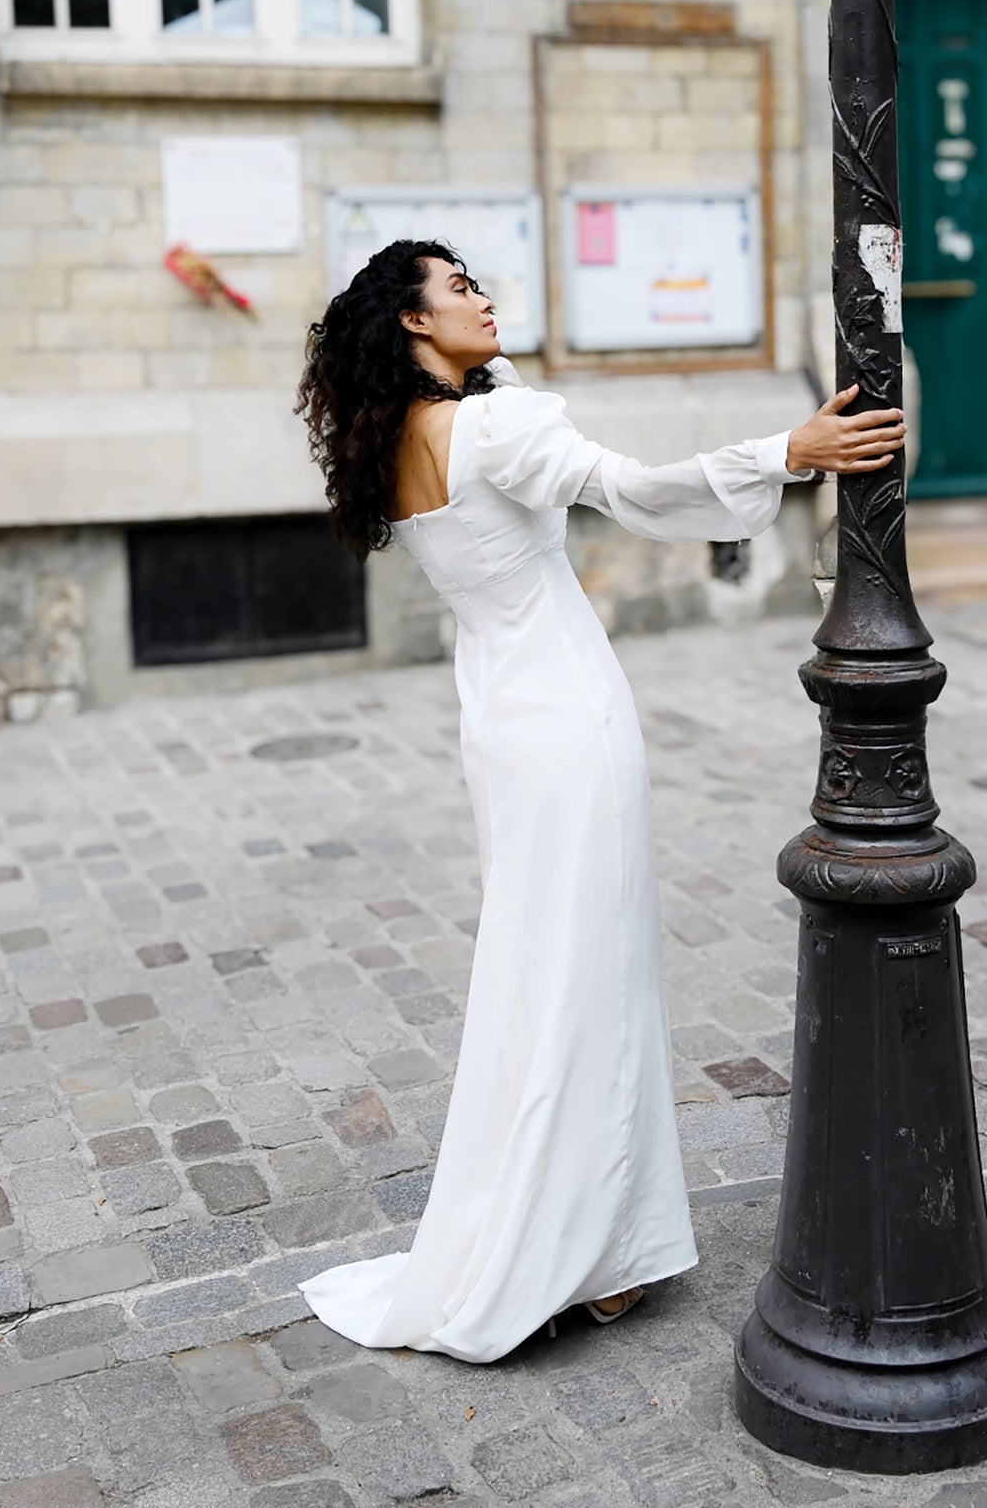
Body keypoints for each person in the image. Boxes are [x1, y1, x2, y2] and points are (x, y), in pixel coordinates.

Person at [290, 239, 906, 1363]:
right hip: (569, 721)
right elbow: (634, 491)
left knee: (538, 970)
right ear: (412, 325)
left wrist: (479, 357)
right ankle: (589, 1255)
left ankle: (561, 1231)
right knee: (593, 978)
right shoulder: (493, 428)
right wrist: (791, 450)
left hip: (502, 723)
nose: (484, 300)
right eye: (458, 289)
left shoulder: (410, 438)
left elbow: (505, 393)